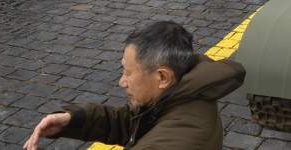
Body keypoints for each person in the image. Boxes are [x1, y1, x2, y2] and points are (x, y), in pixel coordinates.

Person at [23, 21, 245, 150]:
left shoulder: (176, 140)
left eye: (128, 72)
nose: (122, 81)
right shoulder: (181, 95)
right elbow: (133, 123)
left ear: (163, 77)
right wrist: (73, 120)